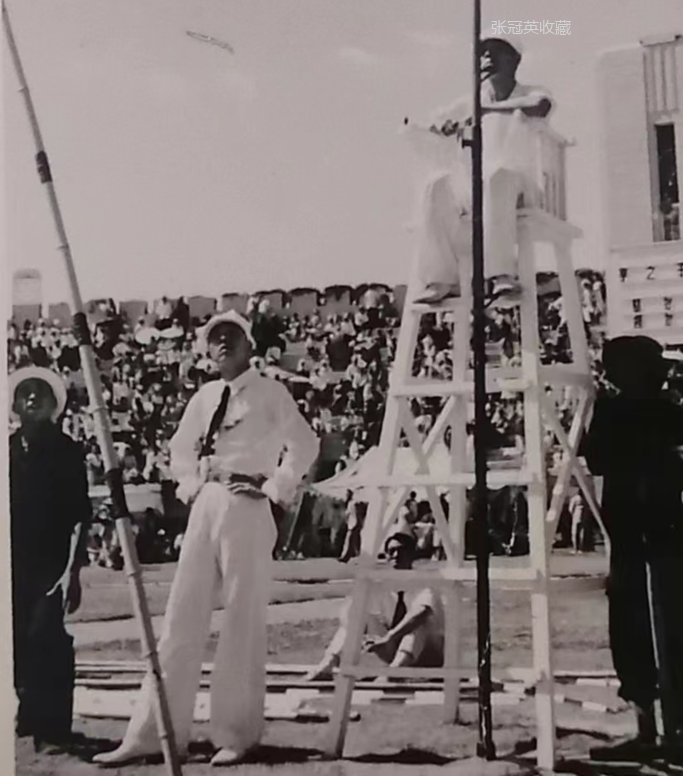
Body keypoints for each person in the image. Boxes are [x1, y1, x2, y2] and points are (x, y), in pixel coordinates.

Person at [95, 311, 319, 768]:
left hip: (249, 504)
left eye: (231, 336)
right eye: (215, 338)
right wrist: (191, 484)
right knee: (181, 615)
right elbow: (181, 448)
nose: (222, 344)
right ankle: (154, 733)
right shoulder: (205, 396)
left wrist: (276, 487)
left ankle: (236, 735)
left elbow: (306, 444)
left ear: (249, 344)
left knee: (242, 619)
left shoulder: (271, 393)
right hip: (209, 500)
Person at [581, 335, 683, 761]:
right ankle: (650, 726)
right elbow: (593, 458)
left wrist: (645, 454)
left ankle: (679, 726)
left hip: (661, 530)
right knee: (634, 627)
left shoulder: (669, 413)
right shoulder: (614, 412)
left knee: (672, 626)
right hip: (633, 533)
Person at [411, 33, 555, 308]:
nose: (487, 58)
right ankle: (441, 279)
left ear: (515, 59)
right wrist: (443, 127)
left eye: (496, 52)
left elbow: (540, 106)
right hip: (479, 188)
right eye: (483, 52)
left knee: (497, 175)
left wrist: (485, 110)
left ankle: (500, 274)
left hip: (520, 185)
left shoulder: (531, 92)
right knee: (437, 184)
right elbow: (437, 122)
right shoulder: (468, 100)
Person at [9, 367, 92, 753]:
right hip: (12, 560)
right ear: (14, 403)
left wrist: (72, 572)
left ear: (54, 404)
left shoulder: (68, 451)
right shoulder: (7, 449)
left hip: (52, 560)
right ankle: (29, 715)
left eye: (40, 393)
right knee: (17, 640)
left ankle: (56, 726)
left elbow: (80, 514)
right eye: (25, 392)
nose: (32, 398)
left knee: (48, 637)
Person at [301, 529, 444, 682]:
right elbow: (351, 611)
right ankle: (328, 664)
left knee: (416, 624)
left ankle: (394, 673)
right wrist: (357, 631)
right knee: (358, 613)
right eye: (391, 552)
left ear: (412, 555)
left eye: (401, 551)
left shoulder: (425, 583)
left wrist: (389, 636)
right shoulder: (381, 585)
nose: (395, 556)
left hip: (430, 654)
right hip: (394, 649)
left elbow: (420, 613)